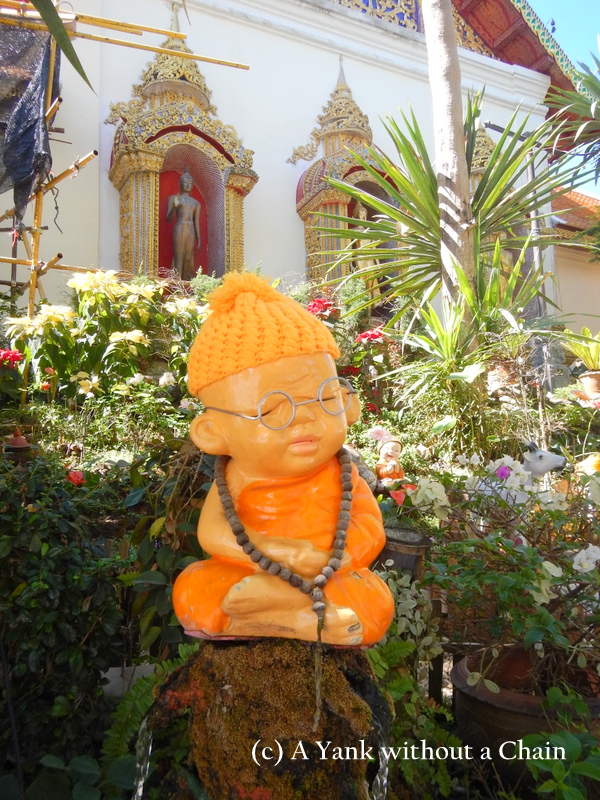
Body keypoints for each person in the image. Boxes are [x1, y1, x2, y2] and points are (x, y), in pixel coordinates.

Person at [172, 273, 394, 646]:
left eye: (325, 398)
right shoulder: (236, 476)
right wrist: (277, 552)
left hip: (327, 573)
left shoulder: (341, 472)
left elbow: (369, 525)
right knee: (194, 588)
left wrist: (336, 559)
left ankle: (284, 610)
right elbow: (212, 533)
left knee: (374, 600)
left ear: (347, 403)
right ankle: (305, 617)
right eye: (273, 410)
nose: (305, 418)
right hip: (254, 570)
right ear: (212, 432)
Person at [166, 168, 201, 280]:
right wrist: (174, 206)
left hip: (190, 230)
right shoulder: (174, 198)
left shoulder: (196, 203)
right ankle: (177, 284)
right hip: (180, 227)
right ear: (180, 184)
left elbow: (196, 223)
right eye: (185, 182)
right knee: (179, 256)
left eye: (190, 183)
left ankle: (186, 284)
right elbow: (168, 218)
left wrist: (199, 239)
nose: (187, 185)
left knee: (188, 258)